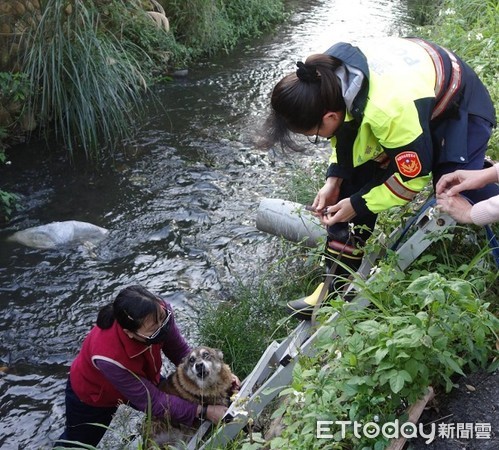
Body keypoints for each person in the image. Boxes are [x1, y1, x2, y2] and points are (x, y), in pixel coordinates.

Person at [263, 36, 499, 319]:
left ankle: (487, 183)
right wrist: (334, 179)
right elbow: (347, 138)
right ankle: (334, 285)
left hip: (458, 104)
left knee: (454, 187)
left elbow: (412, 179)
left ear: (328, 117)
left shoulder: (388, 110)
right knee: (352, 183)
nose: (319, 138)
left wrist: (359, 204)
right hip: (413, 97)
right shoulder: (322, 79)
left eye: (314, 134)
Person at [55, 285, 230, 448]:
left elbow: (181, 355)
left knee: (184, 406)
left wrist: (221, 377)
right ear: (130, 333)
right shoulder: (107, 355)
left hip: (143, 378)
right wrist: (205, 411)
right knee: (78, 443)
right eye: (154, 329)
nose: (163, 326)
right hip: (93, 396)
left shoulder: (158, 313)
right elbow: (153, 401)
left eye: (163, 318)